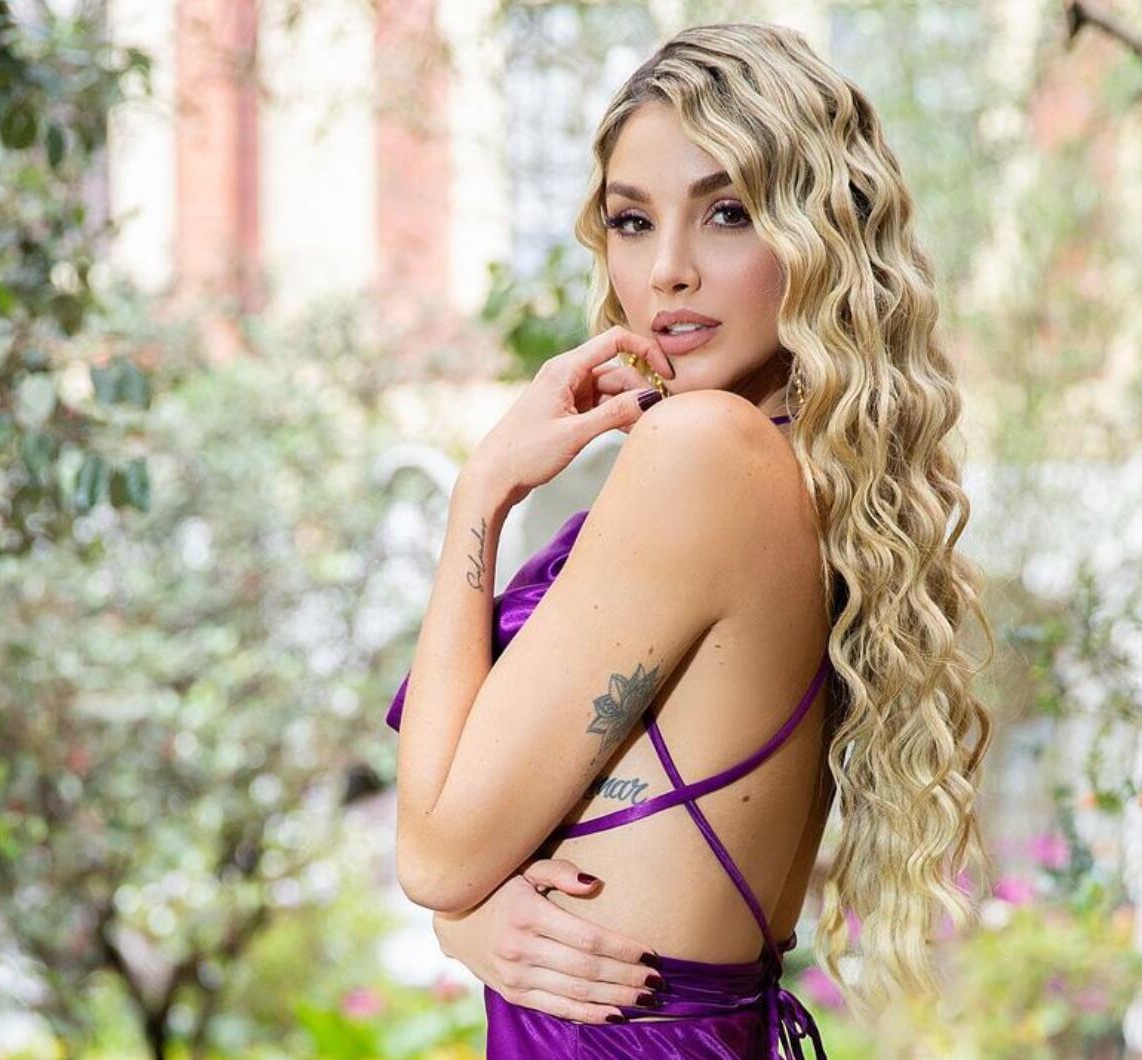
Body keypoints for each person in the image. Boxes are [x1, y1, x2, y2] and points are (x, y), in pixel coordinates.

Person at [387, 21, 996, 1059]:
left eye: (727, 212)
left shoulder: (703, 451)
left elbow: (438, 854)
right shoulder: (803, 479)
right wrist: (472, 913)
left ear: (819, 237)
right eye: (632, 222)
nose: (667, 270)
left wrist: (481, 494)